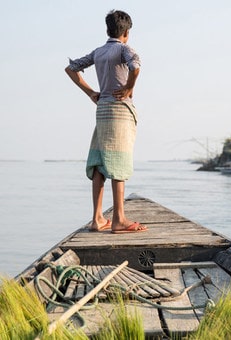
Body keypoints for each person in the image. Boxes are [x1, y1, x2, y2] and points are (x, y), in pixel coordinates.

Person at [65, 10, 147, 234]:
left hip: (102, 110)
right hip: (119, 110)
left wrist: (91, 92)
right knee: (119, 160)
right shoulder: (124, 49)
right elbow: (136, 66)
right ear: (127, 32)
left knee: (100, 160)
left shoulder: (99, 52)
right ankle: (119, 219)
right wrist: (129, 87)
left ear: (107, 30)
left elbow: (71, 69)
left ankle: (97, 218)